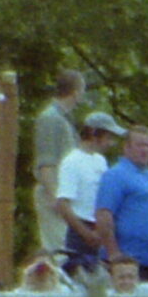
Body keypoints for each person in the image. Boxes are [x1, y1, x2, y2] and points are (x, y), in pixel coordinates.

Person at [95, 125, 148, 284]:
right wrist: (114, 255)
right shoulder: (116, 175)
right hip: (131, 266)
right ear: (126, 147)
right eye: (140, 145)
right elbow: (103, 215)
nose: (145, 150)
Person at [54, 111, 119, 270]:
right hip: (80, 229)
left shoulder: (101, 161)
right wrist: (86, 233)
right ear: (94, 134)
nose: (110, 143)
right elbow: (63, 204)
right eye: (108, 137)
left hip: (99, 227)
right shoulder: (72, 161)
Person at [30, 69, 83, 251]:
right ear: (75, 92)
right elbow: (46, 163)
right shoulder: (50, 118)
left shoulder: (65, 119)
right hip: (53, 194)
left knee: (69, 249)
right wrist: (55, 199)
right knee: (59, 250)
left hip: (65, 196)